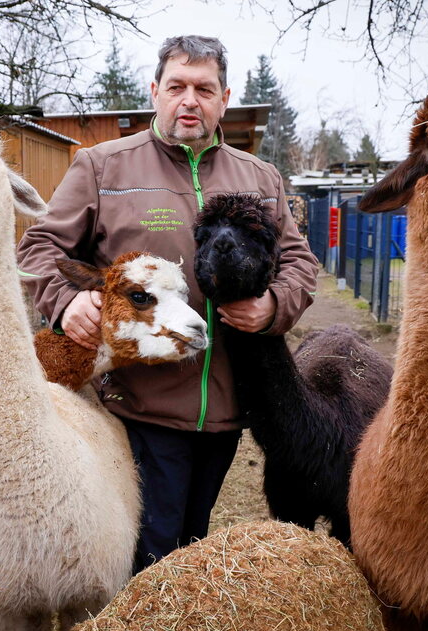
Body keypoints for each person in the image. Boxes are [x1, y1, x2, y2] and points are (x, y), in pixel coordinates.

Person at [16, 35, 318, 571]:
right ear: (155, 92)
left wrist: (272, 307)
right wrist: (67, 303)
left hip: (227, 405)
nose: (189, 100)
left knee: (189, 544)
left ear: (224, 99)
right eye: (176, 86)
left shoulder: (259, 178)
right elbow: (40, 247)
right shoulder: (104, 168)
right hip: (138, 403)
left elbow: (299, 265)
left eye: (204, 89)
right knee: (146, 551)